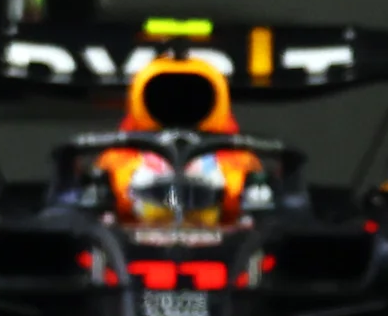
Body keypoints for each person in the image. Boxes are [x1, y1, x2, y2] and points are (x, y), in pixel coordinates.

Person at [91, 58, 269, 227]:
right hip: (138, 243)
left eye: (192, 92)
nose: (179, 99)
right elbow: (98, 211)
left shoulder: (238, 157)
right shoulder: (117, 156)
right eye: (165, 92)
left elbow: (256, 214)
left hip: (214, 242)